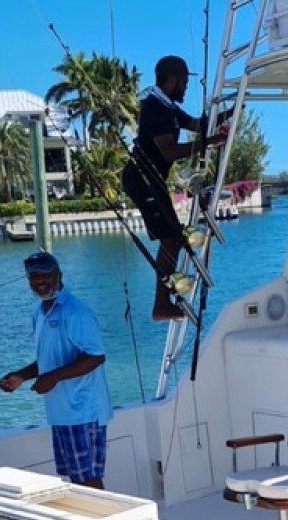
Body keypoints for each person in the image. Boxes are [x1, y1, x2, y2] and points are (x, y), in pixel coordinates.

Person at [0, 251, 114, 489]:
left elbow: (96, 356)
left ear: (59, 275)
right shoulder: (40, 313)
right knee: (75, 478)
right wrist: (20, 376)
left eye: (45, 275)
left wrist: (53, 377)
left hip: (83, 410)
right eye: (33, 277)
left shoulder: (75, 312)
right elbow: (48, 360)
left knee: (87, 477)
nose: (40, 281)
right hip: (61, 412)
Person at [121, 55, 218, 322]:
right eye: (185, 82)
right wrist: (208, 142)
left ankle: (166, 296)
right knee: (170, 239)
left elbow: (198, 125)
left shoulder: (169, 107)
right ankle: (161, 305)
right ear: (173, 80)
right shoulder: (154, 107)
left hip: (152, 180)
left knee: (174, 238)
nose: (186, 88)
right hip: (141, 179)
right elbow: (170, 152)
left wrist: (228, 112)